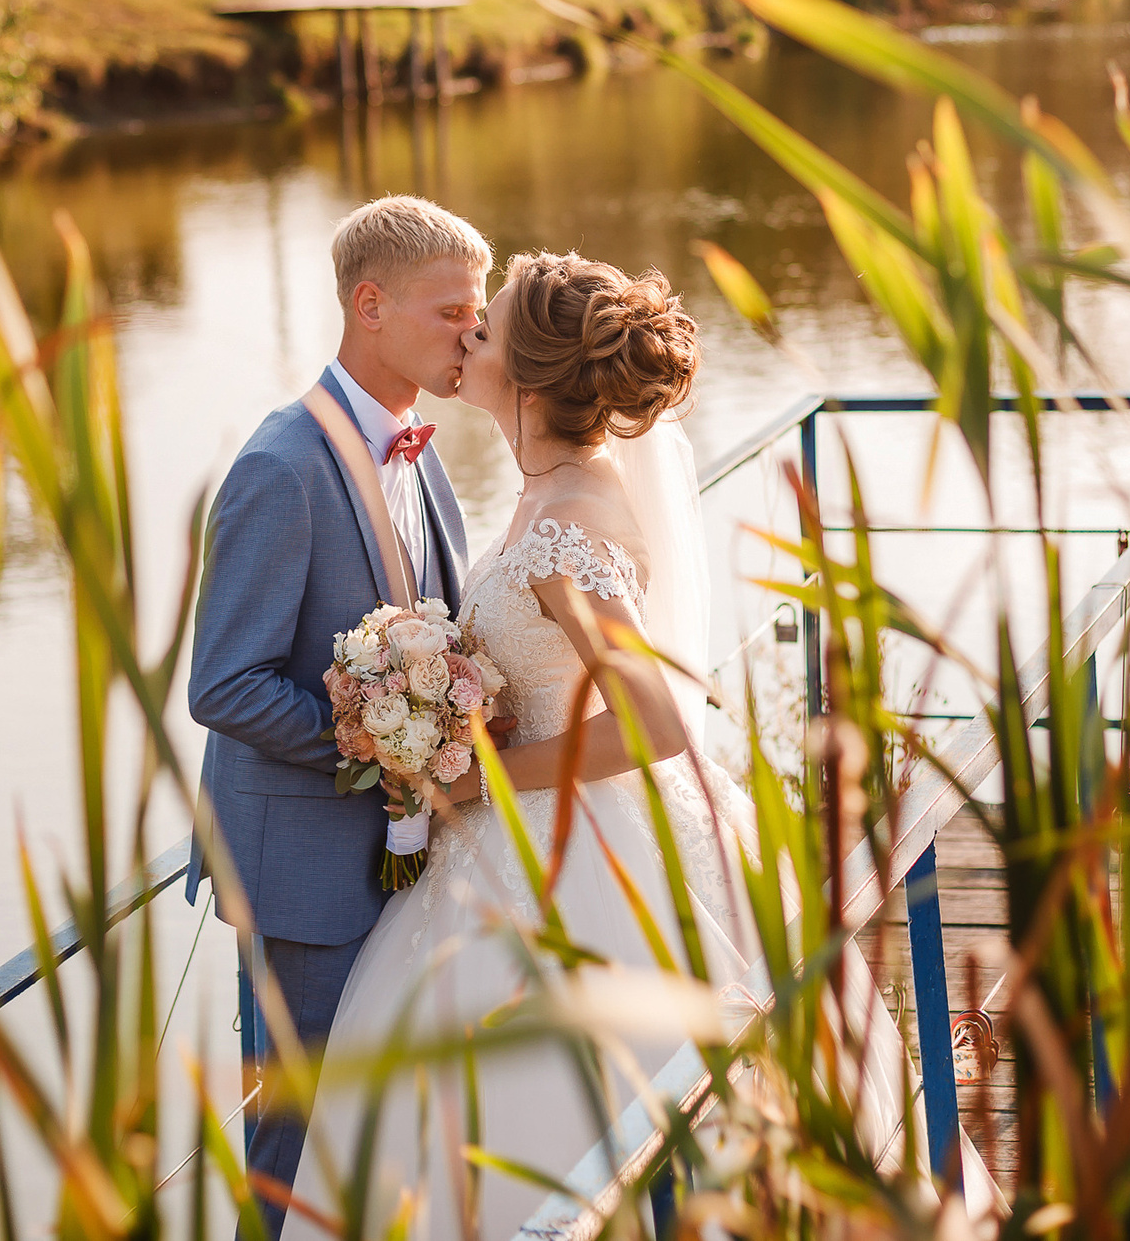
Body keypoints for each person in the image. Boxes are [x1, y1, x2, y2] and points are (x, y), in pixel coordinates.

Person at [285, 252, 1000, 1241]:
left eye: (482, 329)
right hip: (531, 829)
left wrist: (480, 776)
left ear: (528, 379)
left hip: (562, 838)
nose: (466, 340)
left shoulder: (567, 523)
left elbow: (655, 718)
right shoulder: (555, 486)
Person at [187, 195, 494, 1237]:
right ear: (371, 305)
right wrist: (386, 741)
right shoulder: (281, 468)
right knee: (298, 1132)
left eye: (478, 307)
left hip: (403, 854)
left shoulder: (417, 439)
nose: (475, 330)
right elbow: (222, 684)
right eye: (451, 310)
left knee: (382, 1122)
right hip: (305, 873)